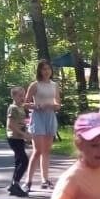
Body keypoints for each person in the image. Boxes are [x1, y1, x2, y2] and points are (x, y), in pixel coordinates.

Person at [25, 59, 60, 190]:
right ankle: (28, 181)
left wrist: (51, 105)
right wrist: (37, 106)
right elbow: (25, 103)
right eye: (43, 69)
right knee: (38, 150)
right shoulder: (35, 85)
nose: (46, 72)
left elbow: (58, 105)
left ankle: (45, 179)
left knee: (46, 150)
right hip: (38, 117)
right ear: (39, 71)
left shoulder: (54, 85)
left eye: (48, 69)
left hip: (50, 116)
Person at [6, 86, 31, 197]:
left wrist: (27, 132)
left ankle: (13, 184)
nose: (22, 97)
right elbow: (10, 125)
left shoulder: (21, 108)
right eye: (20, 96)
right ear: (14, 96)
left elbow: (22, 123)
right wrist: (23, 134)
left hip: (19, 138)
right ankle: (15, 184)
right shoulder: (13, 108)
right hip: (14, 138)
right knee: (24, 161)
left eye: (23, 95)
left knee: (18, 161)